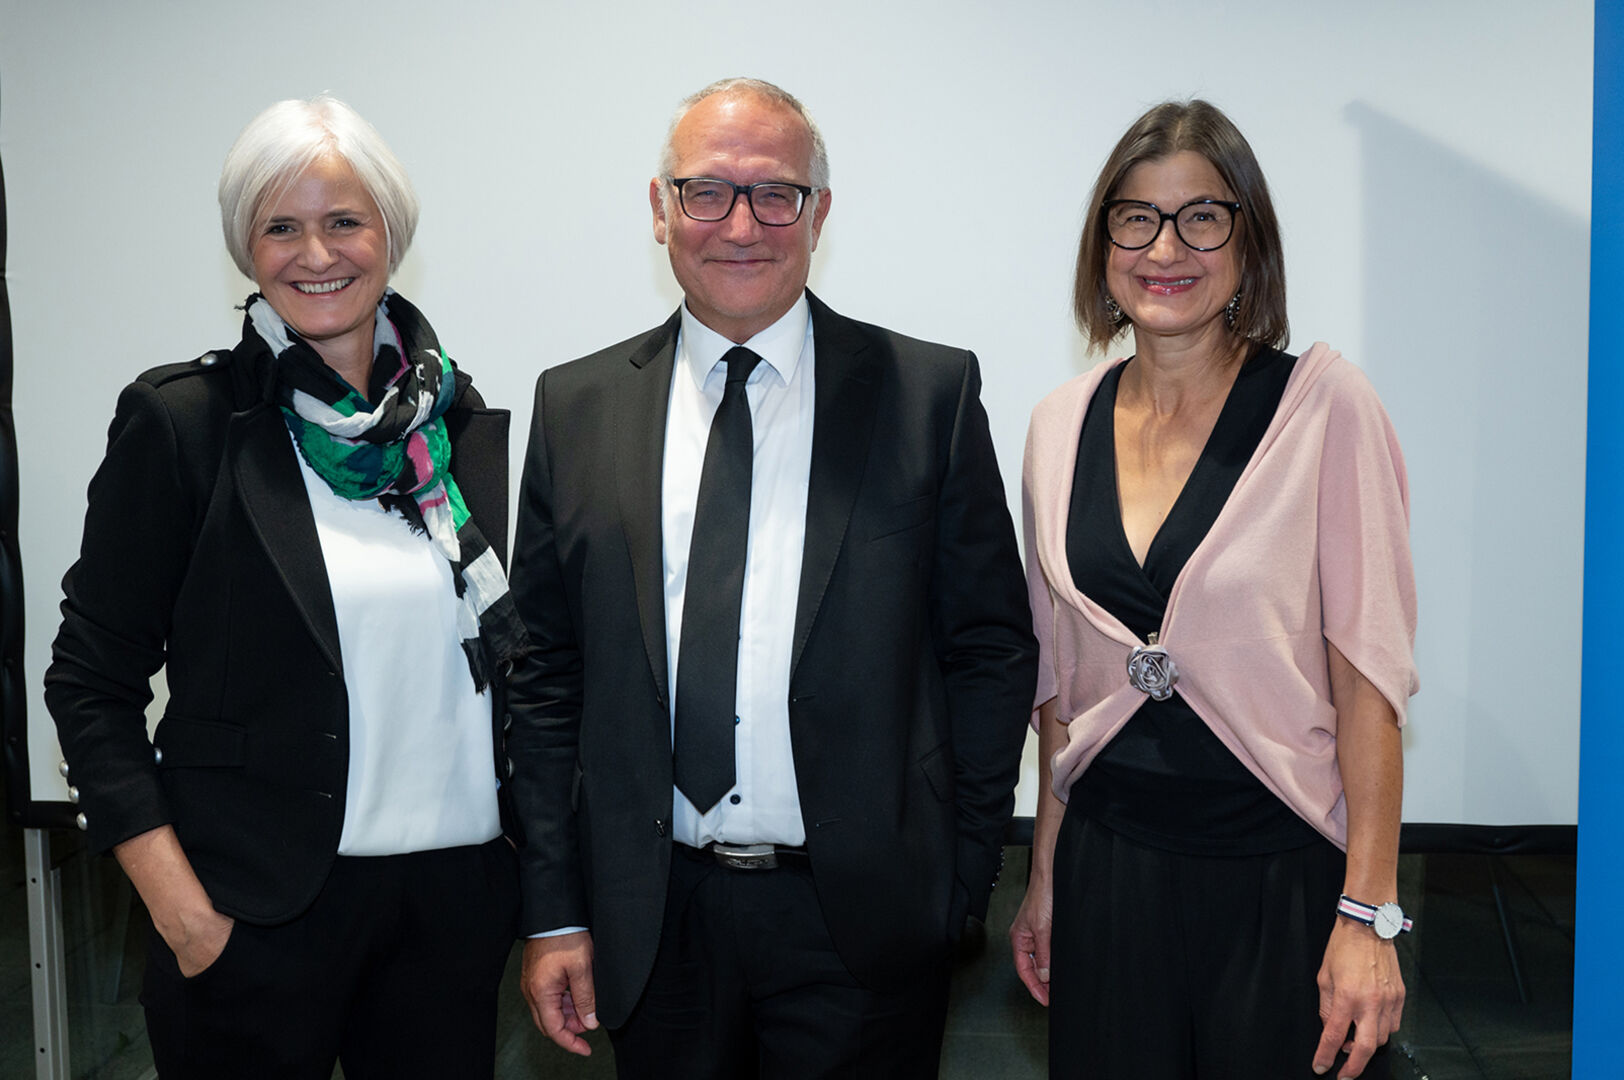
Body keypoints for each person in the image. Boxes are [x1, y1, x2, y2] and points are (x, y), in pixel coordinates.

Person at [506, 76, 1037, 1078]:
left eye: (776, 194)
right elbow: (544, 680)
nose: (742, 225)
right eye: (707, 192)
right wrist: (553, 910)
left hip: (864, 927)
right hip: (651, 920)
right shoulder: (576, 407)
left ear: (819, 212)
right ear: (660, 208)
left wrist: (960, 879)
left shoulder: (927, 396)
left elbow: (988, 649)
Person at [45, 96, 526, 1079]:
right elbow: (89, 684)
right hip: (251, 919)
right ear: (245, 247)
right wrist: (184, 916)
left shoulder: (455, 430)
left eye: (344, 220)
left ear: (390, 234)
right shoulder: (187, 423)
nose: (316, 254)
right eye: (280, 227)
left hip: (449, 919)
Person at [1008, 99, 1419, 1080]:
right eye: (1135, 217)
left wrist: (1368, 913)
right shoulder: (1057, 425)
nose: (1165, 247)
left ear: (1248, 241)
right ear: (1103, 243)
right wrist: (1045, 874)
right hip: (1107, 876)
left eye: (1201, 216)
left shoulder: (1326, 406)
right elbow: (1062, 692)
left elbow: (1368, 680)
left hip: (1279, 882)